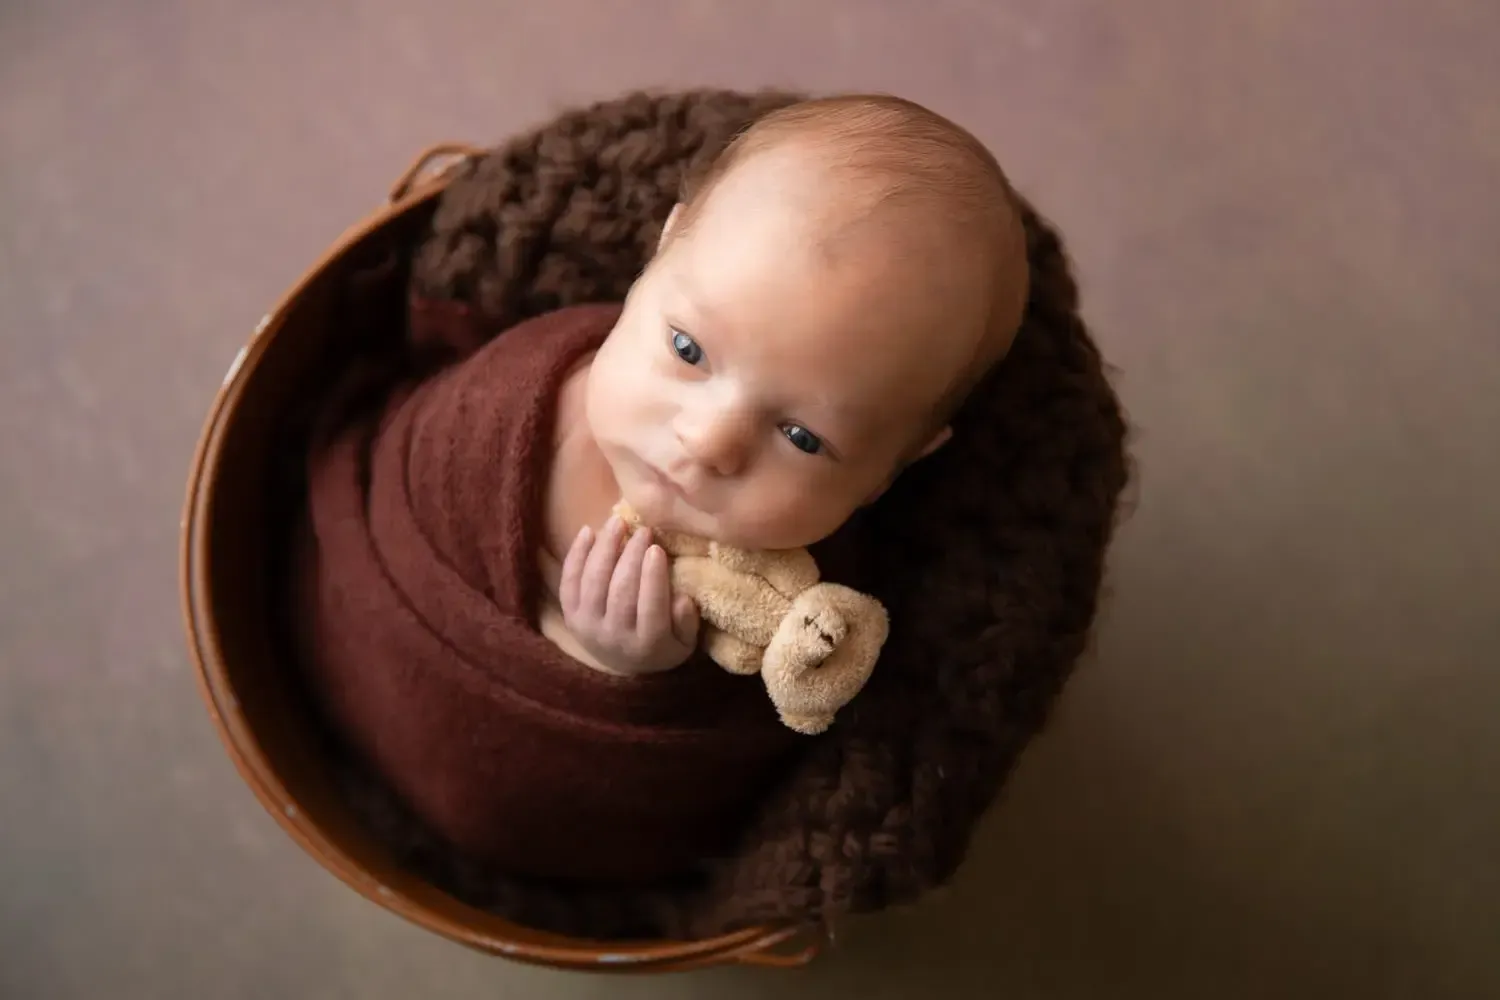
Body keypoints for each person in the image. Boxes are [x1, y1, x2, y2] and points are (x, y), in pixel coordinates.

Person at [295, 94, 1032, 892]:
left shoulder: (811, 602)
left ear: (894, 466)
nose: (709, 443)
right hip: (353, 619)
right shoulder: (526, 373)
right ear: (662, 249)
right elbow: (413, 452)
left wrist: (626, 673)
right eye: (687, 348)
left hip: (512, 807)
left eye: (802, 438)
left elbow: (737, 755)